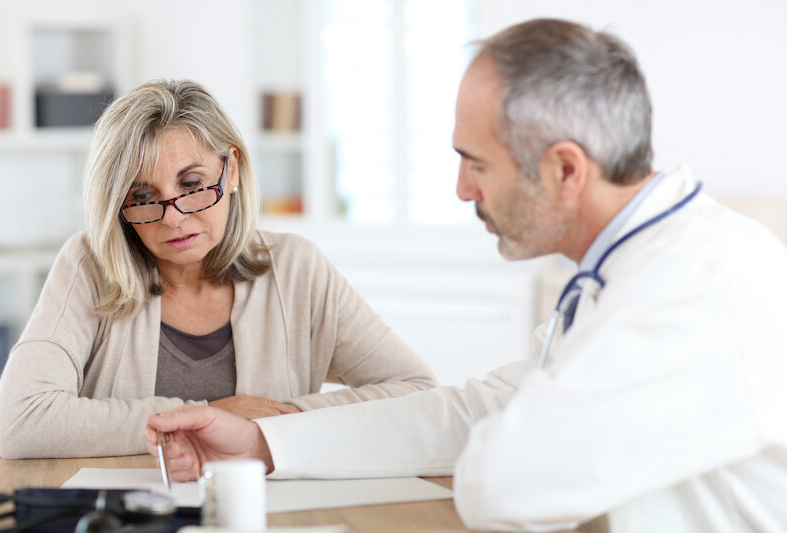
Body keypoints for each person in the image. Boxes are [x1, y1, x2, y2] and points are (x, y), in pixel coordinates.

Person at [145, 19, 787, 532]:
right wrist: (264, 441)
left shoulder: (700, 282)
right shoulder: (628, 270)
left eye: (475, 163)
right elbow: (475, 412)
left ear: (566, 170)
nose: (460, 189)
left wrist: (504, 431)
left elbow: (505, 482)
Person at [0, 79, 437, 460]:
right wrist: (213, 415)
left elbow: (417, 391)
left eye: (192, 184)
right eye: (143, 196)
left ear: (234, 170)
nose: (173, 216)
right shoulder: (89, 263)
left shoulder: (297, 268)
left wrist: (279, 425)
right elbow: (21, 420)